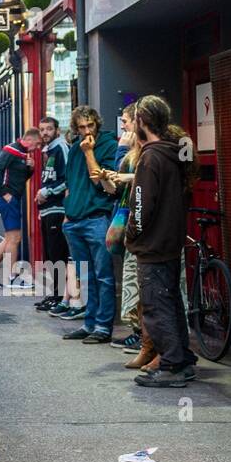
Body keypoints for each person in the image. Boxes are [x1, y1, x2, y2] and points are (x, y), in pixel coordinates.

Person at [127, 95, 200, 388]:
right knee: (170, 303)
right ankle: (181, 359)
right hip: (170, 243)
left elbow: (142, 205)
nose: (131, 127)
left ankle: (171, 365)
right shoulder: (172, 153)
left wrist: (133, 233)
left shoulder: (151, 157)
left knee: (157, 307)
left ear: (143, 121)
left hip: (154, 246)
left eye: (133, 121)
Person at [61, 106, 120, 342]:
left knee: (103, 275)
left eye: (90, 126)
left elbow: (100, 182)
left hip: (97, 218)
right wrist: (67, 213)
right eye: (82, 127)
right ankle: (89, 323)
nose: (87, 131)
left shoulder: (108, 145)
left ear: (97, 124)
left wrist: (89, 153)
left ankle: (103, 327)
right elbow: (70, 184)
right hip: (74, 220)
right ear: (75, 128)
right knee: (85, 276)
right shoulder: (75, 148)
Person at [97, 105, 147, 362]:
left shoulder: (140, 151)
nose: (124, 126)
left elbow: (122, 178)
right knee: (133, 281)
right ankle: (140, 334)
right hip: (129, 221)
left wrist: (120, 150)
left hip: (141, 226)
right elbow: (113, 185)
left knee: (141, 283)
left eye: (126, 121)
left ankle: (144, 337)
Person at [0, 128, 40, 290]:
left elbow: (20, 178)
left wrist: (30, 169)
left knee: (9, 238)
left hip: (10, 198)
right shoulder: (12, 150)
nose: (36, 148)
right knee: (15, 239)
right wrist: (4, 193)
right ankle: (11, 277)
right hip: (7, 198)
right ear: (29, 139)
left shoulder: (22, 154)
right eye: (36, 144)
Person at [33, 116, 74, 314]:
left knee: (58, 255)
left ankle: (59, 297)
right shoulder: (47, 151)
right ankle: (54, 294)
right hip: (47, 210)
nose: (45, 133)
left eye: (49, 129)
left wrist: (46, 192)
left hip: (58, 209)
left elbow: (68, 179)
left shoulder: (61, 149)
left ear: (57, 130)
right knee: (49, 255)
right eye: (42, 130)